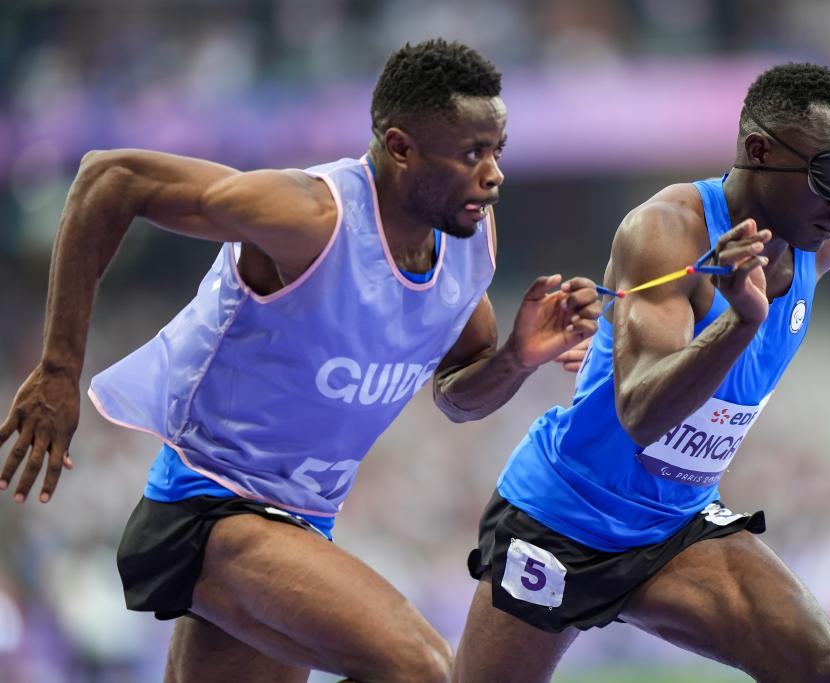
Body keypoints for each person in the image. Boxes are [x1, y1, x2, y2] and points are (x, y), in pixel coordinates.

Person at [0, 39, 601, 683]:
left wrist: (517, 358)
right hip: (210, 505)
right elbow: (110, 177)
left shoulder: (466, 243)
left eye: (498, 151)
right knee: (422, 670)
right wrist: (59, 369)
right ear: (401, 148)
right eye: (472, 153)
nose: (494, 174)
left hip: (301, 524)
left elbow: (457, 397)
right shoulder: (310, 216)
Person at [455, 62, 830, 683]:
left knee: (820, 667)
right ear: (760, 151)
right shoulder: (667, 230)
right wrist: (741, 321)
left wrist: (617, 350)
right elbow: (641, 415)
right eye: (829, 175)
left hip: (674, 525)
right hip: (561, 518)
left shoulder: (825, 243)